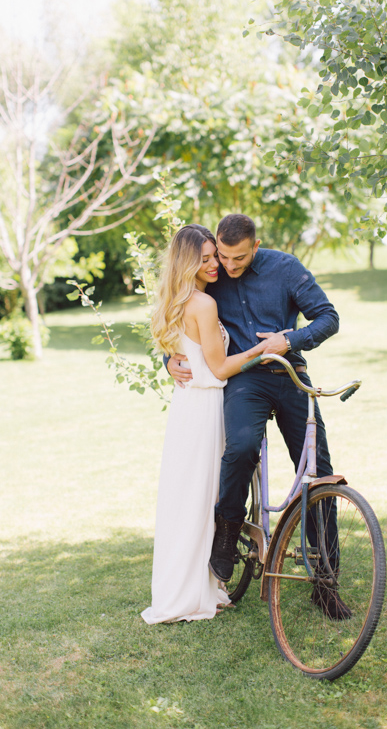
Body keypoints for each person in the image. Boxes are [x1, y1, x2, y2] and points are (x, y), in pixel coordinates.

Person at [167, 214, 351, 620]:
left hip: (289, 374)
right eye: (223, 258)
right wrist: (170, 358)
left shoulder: (285, 267)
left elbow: (329, 318)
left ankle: (325, 580)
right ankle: (227, 535)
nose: (227, 268)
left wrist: (290, 339)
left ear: (256, 245)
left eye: (238, 259)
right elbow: (179, 311)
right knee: (243, 446)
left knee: (319, 470)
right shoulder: (211, 270)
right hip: (244, 382)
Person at [141, 224, 268, 624]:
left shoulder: (176, 300)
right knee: (200, 499)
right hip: (206, 409)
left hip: (186, 408)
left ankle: (195, 586)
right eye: (207, 259)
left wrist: (171, 363)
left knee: (187, 500)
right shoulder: (203, 304)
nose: (215, 265)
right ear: (188, 262)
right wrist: (263, 349)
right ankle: (194, 592)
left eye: (216, 256)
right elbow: (219, 366)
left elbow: (187, 356)